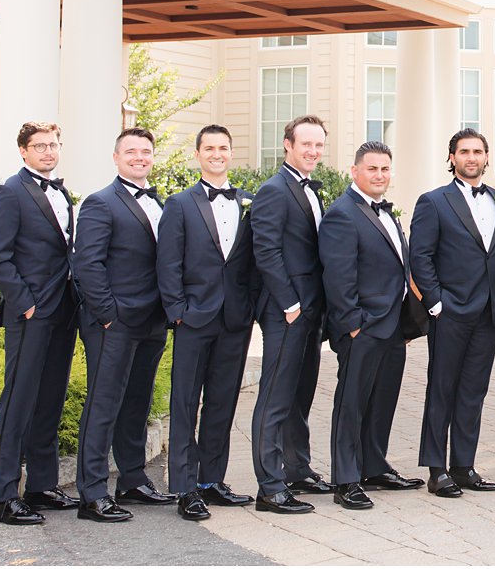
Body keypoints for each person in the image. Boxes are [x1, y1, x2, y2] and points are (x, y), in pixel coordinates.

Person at [156, 125, 259, 521]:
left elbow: (249, 262)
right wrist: (178, 311)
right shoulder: (179, 204)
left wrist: (248, 308)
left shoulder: (246, 201)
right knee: (185, 403)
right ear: (198, 154)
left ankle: (210, 480)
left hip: (234, 319)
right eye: (210, 148)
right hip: (194, 318)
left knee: (222, 401)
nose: (217, 154)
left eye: (223, 148)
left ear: (231, 153)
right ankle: (184, 487)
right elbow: (168, 263)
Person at [72, 127, 175, 523]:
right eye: (130, 151)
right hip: (113, 322)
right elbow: (88, 264)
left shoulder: (160, 203)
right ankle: (92, 493)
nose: (139, 157)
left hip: (151, 320)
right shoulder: (100, 203)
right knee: (104, 404)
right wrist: (109, 315)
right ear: (116, 158)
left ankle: (132, 479)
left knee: (137, 402)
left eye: (145, 151)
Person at [0, 120, 80, 525]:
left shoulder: (62, 192)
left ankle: (41, 486)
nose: (48, 152)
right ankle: (4, 499)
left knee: (50, 400)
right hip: (32, 314)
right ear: (23, 151)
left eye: (54, 145)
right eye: (40, 146)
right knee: (18, 402)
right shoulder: (9, 193)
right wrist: (26, 306)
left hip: (64, 311)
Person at [409, 129, 495, 499]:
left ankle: (464, 466)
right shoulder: (433, 202)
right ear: (452, 157)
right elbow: (420, 257)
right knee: (442, 390)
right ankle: (437, 471)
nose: (471, 158)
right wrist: (436, 304)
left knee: (474, 392)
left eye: (478, 151)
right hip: (449, 312)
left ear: (487, 157)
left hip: (488, 314)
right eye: (464, 152)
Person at [319, 141, 424, 510]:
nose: (379, 175)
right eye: (372, 169)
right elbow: (338, 276)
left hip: (393, 327)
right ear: (355, 171)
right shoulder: (342, 214)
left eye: (384, 169)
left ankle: (374, 466)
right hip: (362, 328)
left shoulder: (387, 213)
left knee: (383, 401)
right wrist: (352, 326)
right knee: (351, 404)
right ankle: (346, 479)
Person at [248, 115, 333, 515]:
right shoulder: (273, 190)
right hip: (287, 311)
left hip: (311, 310)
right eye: (306, 144)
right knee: (275, 398)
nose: (313, 152)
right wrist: (290, 304)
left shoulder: (311, 190)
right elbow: (265, 251)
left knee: (301, 394)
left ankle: (297, 468)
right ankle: (270, 485)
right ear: (287, 144)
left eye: (319, 145)